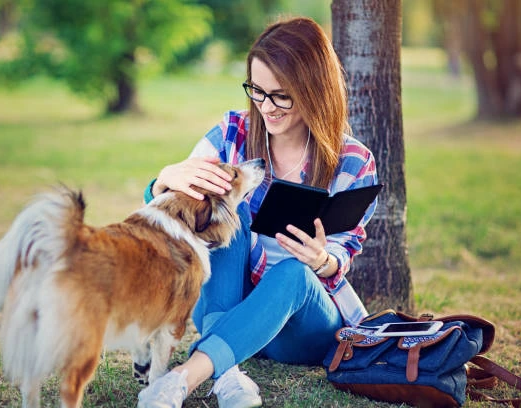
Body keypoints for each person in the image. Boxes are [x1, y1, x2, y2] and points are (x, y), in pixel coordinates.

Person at [137, 16, 378, 408]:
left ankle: (181, 378)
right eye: (257, 91)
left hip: (302, 324)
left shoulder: (353, 161)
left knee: (294, 274)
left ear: (314, 90)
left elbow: (344, 253)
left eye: (281, 95)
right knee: (231, 215)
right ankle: (229, 376)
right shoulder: (234, 132)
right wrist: (162, 180)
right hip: (229, 306)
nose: (266, 107)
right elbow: (171, 214)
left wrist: (322, 260)